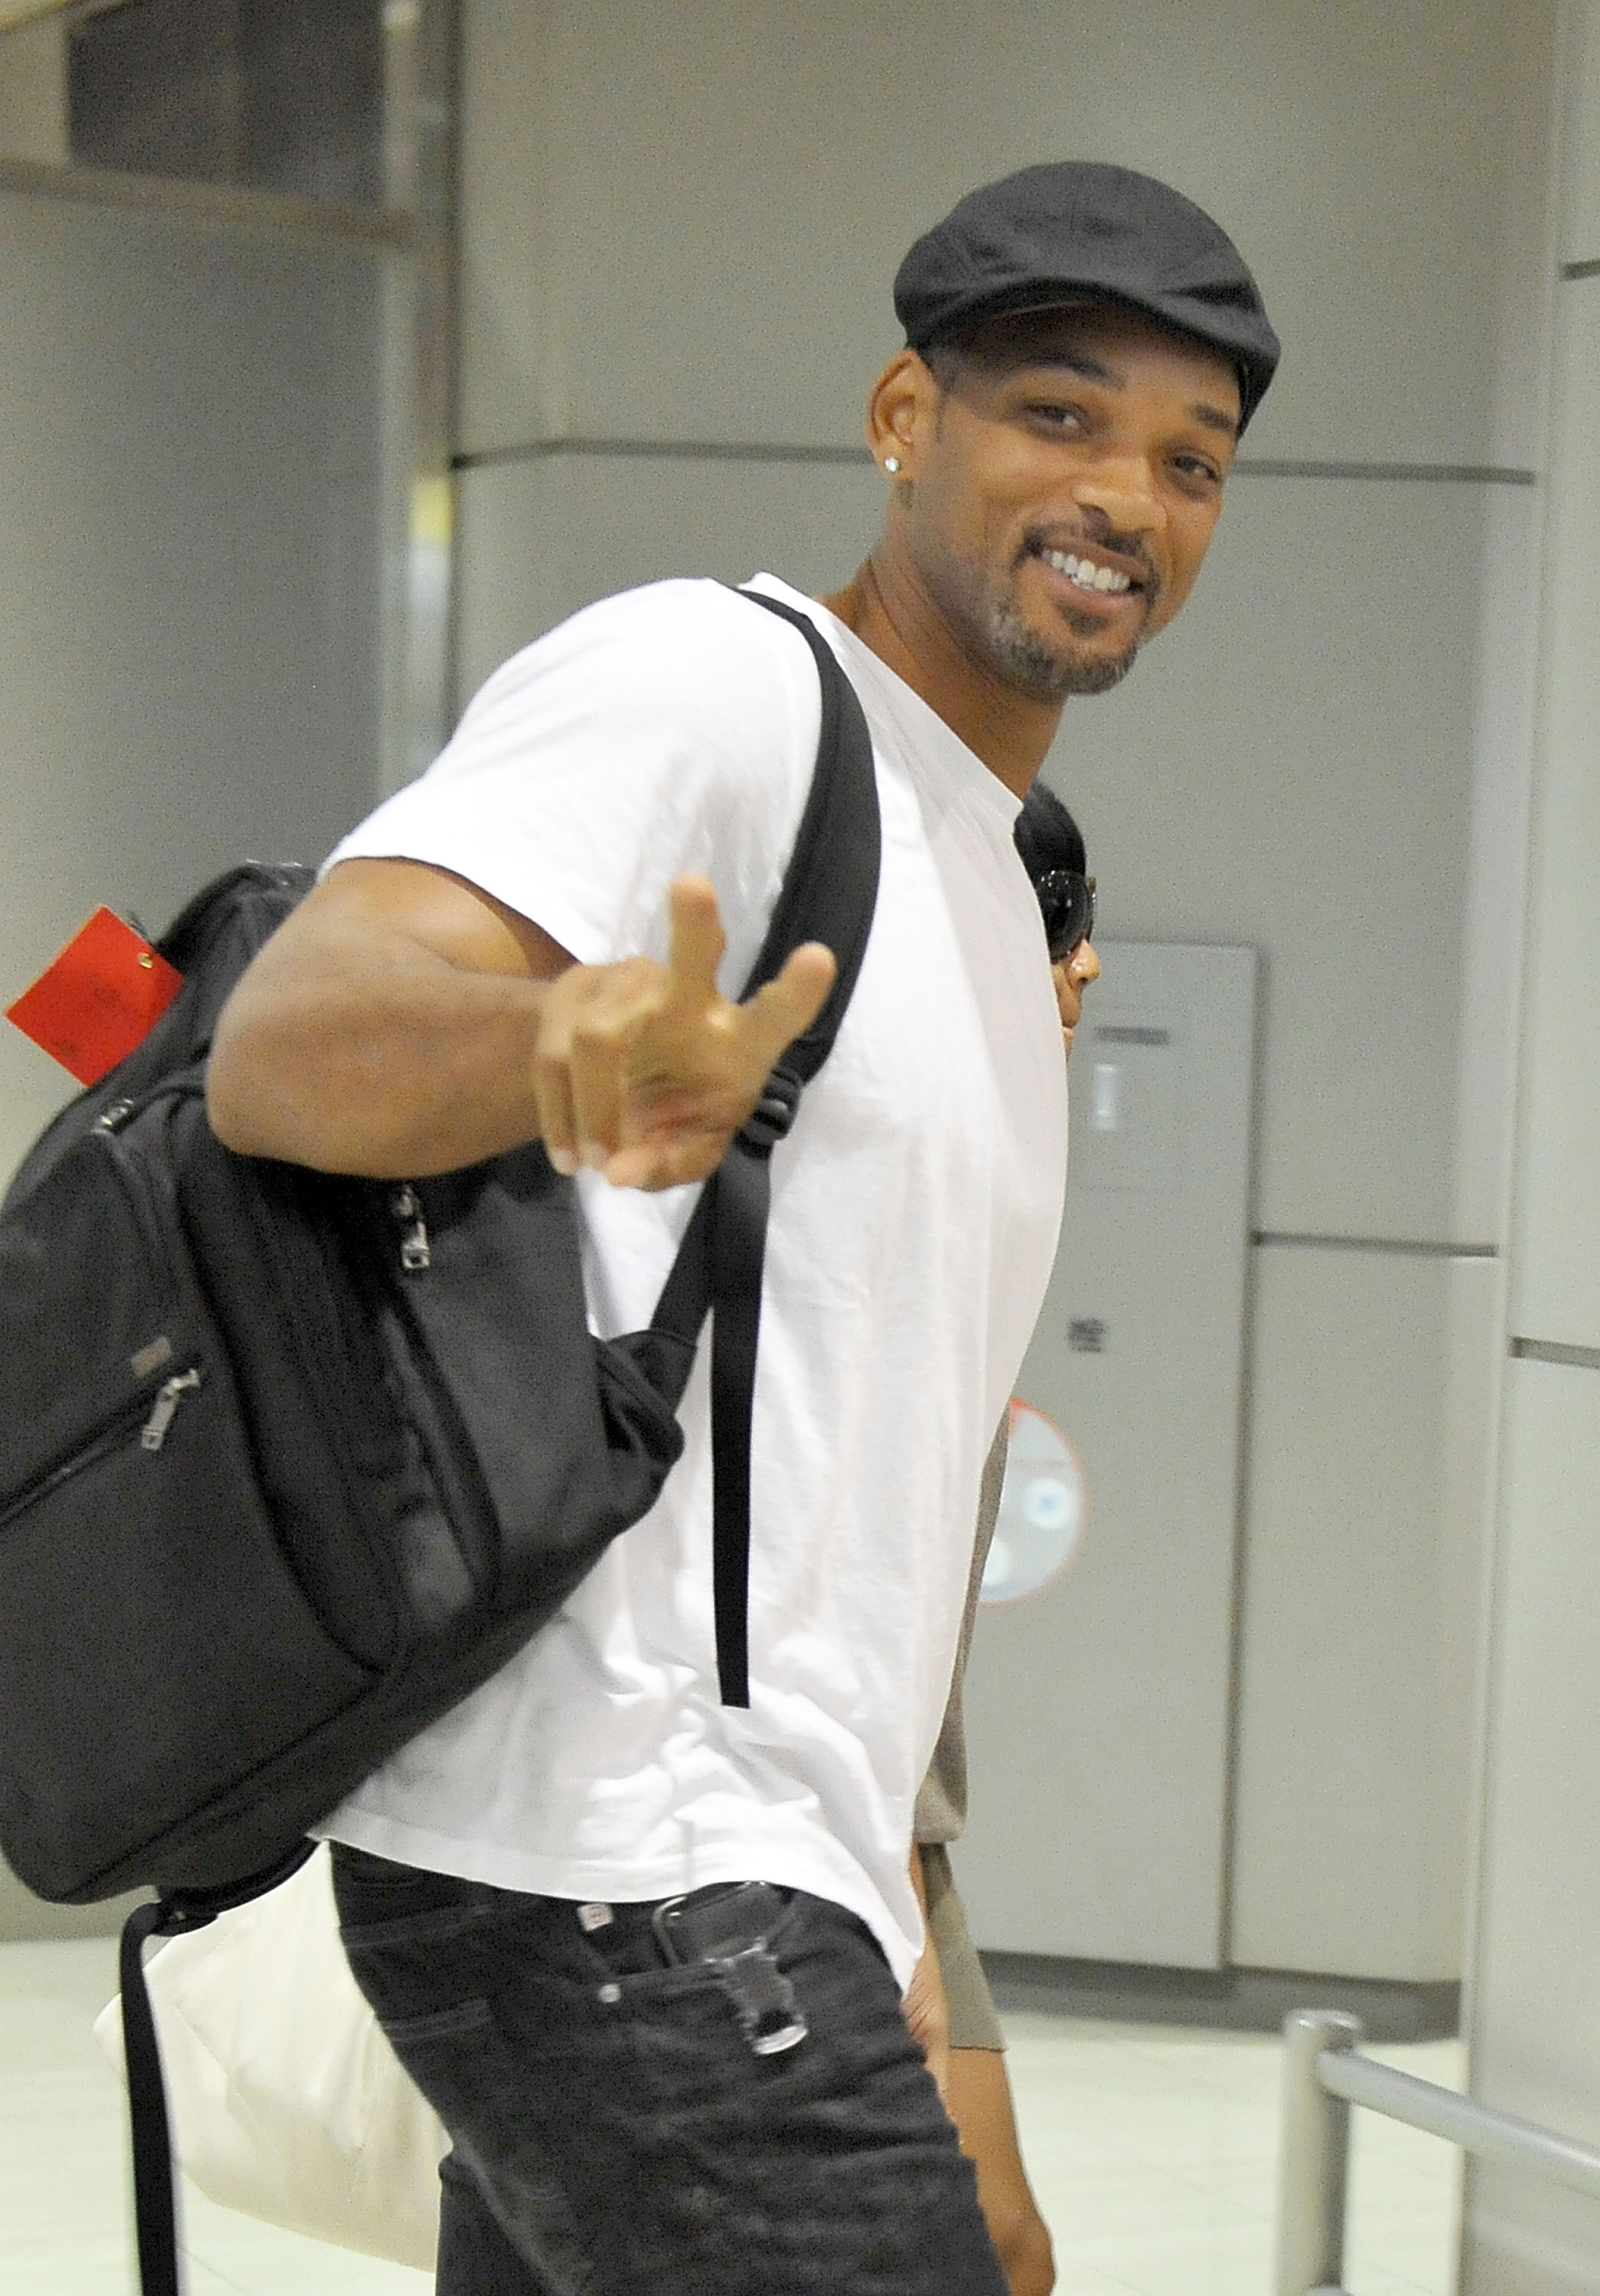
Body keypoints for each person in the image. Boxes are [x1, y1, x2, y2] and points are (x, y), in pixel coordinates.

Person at [207, 161, 1277, 2296]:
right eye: (1055, 415)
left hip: (736, 1873)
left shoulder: (993, 870)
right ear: (905, 415)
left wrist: (889, 1909)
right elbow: (287, 1047)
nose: (1124, 498)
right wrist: (554, 1041)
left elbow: (860, 1480)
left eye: (1190, 458)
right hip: (628, 1868)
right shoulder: (713, 682)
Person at [926, 781, 1098, 2296]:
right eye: (1051, 920)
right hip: (816, 1852)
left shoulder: (977, 1191)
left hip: (872, 1846)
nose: (1085, 965)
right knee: (986, 2251)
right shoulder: (876, 1202)